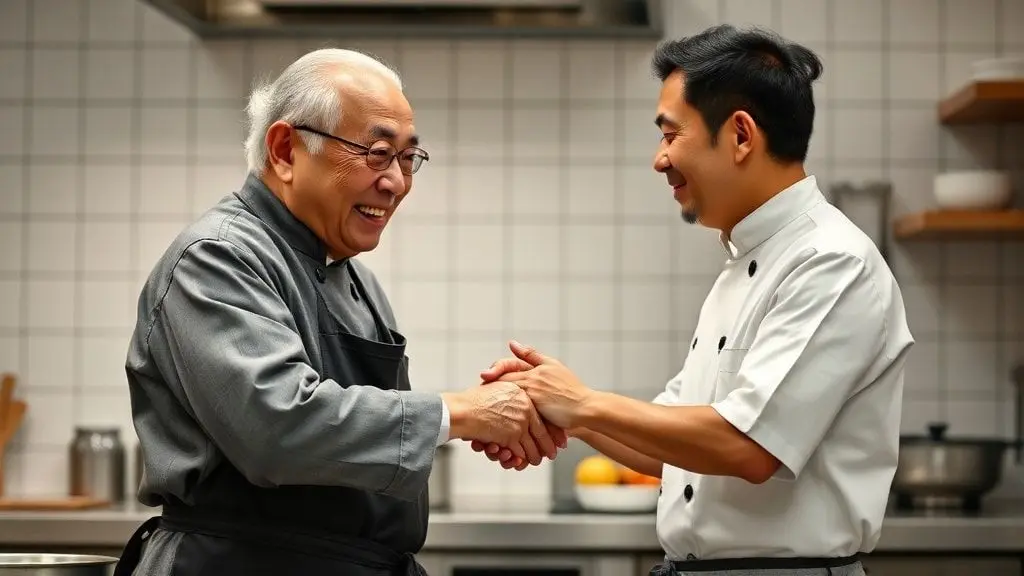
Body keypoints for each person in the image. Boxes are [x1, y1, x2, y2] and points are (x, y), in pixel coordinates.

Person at [475, 25, 914, 576]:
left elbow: (748, 446)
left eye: (671, 134)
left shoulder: (830, 262)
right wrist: (563, 413)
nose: (660, 160)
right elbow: (675, 442)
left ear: (740, 136)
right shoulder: (744, 263)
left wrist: (582, 402)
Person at [115, 48, 565, 576]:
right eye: (377, 153)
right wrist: (462, 413)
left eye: (407, 158)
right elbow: (278, 427)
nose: (396, 182)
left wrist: (485, 416)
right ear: (285, 150)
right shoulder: (219, 257)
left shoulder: (355, 277)